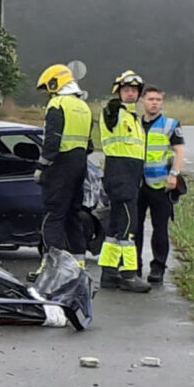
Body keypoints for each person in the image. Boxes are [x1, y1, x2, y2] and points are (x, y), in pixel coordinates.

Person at [97, 71, 152, 292]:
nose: (130, 94)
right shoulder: (115, 112)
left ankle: (109, 273)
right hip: (120, 173)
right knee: (129, 225)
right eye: (126, 90)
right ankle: (129, 275)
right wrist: (113, 106)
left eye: (134, 91)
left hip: (129, 174)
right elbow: (110, 116)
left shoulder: (133, 117)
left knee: (116, 225)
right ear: (119, 93)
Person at [35, 64, 98, 257]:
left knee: (53, 216)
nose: (47, 94)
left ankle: (51, 267)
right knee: (72, 216)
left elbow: (52, 140)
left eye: (48, 89)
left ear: (55, 83)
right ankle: (78, 264)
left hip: (60, 166)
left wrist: (41, 166)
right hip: (79, 165)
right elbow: (90, 146)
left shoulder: (57, 104)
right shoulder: (84, 107)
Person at [136, 86, 185, 286]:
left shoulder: (170, 125)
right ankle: (134, 266)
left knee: (160, 228)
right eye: (150, 99)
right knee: (135, 228)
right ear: (143, 102)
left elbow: (179, 151)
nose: (154, 103)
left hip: (161, 184)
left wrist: (174, 174)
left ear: (162, 102)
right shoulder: (134, 124)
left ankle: (158, 268)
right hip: (137, 184)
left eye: (158, 99)